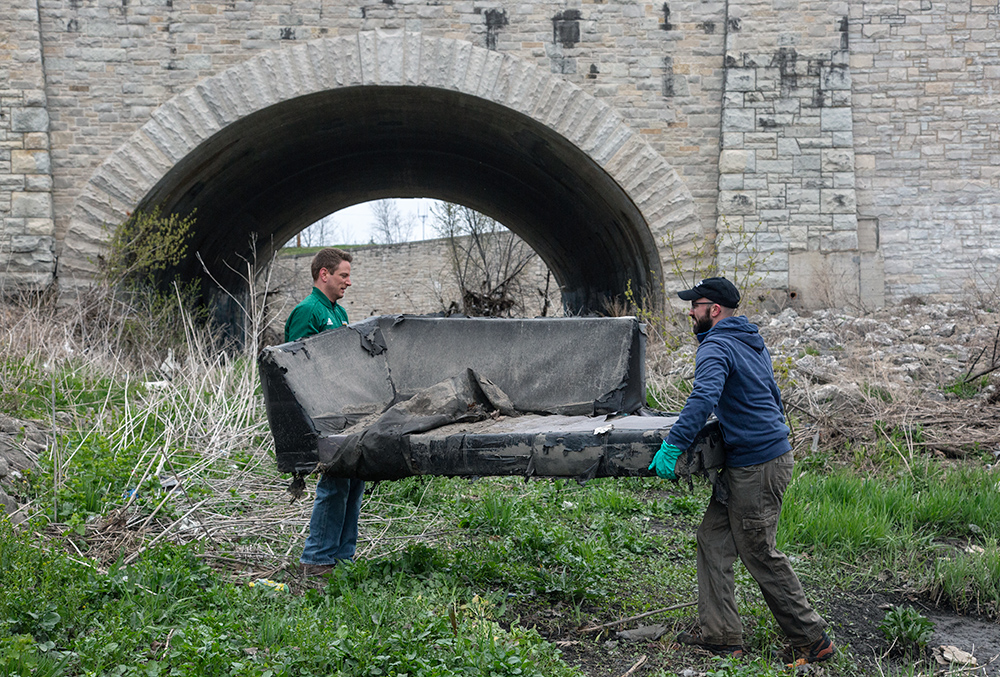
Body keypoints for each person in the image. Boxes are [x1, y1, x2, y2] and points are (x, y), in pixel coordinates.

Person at [648, 277, 834, 667]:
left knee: (759, 552)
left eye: (695, 305)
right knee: (712, 540)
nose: (690, 311)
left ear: (714, 310)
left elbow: (703, 397)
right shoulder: (750, 339)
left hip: (757, 466)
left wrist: (674, 445)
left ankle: (812, 640)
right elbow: (772, 394)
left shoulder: (716, 345)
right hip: (754, 460)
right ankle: (721, 636)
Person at [284, 247, 364, 576]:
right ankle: (317, 560)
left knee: (355, 478)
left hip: (344, 409)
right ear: (324, 274)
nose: (349, 281)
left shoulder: (339, 313)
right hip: (322, 414)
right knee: (334, 482)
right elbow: (295, 369)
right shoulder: (307, 311)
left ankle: (343, 559)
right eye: (344, 275)